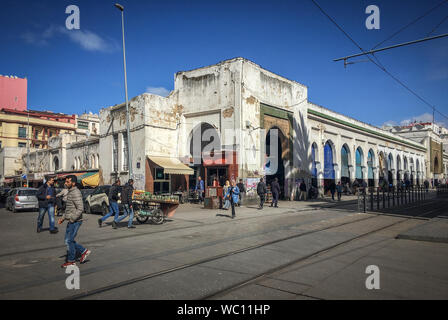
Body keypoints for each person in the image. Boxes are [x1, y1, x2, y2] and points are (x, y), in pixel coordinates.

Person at [58, 175, 90, 268]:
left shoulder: (75, 192)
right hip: (72, 220)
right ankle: (84, 251)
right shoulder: (70, 192)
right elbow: (69, 208)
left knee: (69, 240)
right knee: (68, 240)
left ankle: (71, 260)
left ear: (73, 183)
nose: (65, 183)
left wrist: (72, 219)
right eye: (66, 181)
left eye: (67, 182)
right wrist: (63, 218)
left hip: (75, 221)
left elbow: (80, 208)